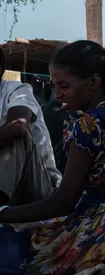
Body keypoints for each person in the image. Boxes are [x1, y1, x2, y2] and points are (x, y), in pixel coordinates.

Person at [0, 41, 105, 275]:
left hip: (101, 229)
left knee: (15, 250)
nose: (57, 94)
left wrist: (4, 214)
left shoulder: (87, 125)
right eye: (55, 86)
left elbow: (64, 202)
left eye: (64, 86)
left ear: (93, 82)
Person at [0, 48, 61, 206]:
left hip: (39, 186)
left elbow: (18, 127)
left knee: (16, 128)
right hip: (12, 189)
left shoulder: (16, 89)